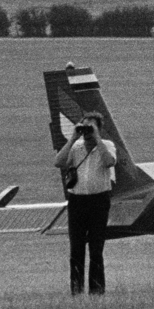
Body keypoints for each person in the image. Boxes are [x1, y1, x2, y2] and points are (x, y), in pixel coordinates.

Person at [54, 112, 117, 295]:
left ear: (99, 128)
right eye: (84, 127)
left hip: (99, 201)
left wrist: (97, 138)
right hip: (77, 201)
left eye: (91, 128)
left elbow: (109, 161)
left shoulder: (107, 145)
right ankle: (77, 290)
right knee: (76, 249)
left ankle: (97, 291)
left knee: (96, 249)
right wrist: (73, 137)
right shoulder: (76, 147)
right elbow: (58, 162)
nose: (87, 132)